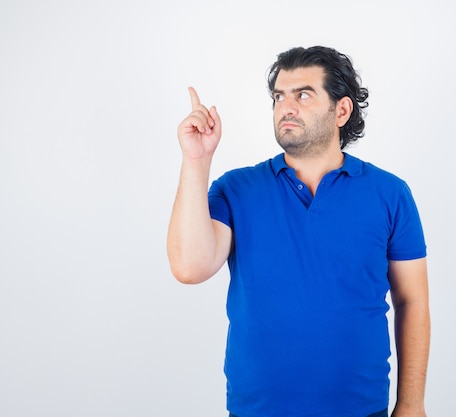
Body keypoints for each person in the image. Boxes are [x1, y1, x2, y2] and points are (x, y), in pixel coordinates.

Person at [167, 46, 430, 417]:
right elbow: (189, 267)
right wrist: (196, 160)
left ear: (341, 110)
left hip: (361, 410)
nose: (285, 107)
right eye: (279, 96)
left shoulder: (390, 193)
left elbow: (413, 303)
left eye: (303, 94)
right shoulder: (236, 188)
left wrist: (412, 403)